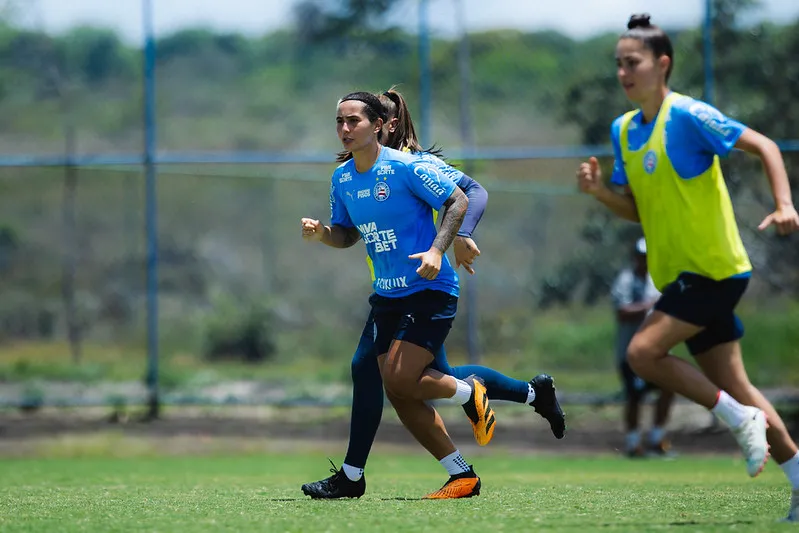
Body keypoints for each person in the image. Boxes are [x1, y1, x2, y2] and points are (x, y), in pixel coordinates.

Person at [577, 13, 799, 522]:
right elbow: (639, 209)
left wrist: (784, 204)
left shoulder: (690, 116)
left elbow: (763, 144)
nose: (622, 73)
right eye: (617, 64)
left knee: (642, 353)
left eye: (632, 63)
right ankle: (797, 476)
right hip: (679, 276)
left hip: (716, 269)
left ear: (662, 64)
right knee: (738, 387)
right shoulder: (624, 130)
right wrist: (599, 193)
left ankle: (736, 417)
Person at [301, 88, 566, 500]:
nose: (345, 127)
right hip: (387, 293)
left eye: (355, 120)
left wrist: (454, 240)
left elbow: (469, 194)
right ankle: (493, 434)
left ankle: (354, 475)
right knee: (411, 383)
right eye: (340, 120)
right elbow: (348, 233)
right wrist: (322, 234)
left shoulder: (413, 165)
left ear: (382, 125)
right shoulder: (345, 177)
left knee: (387, 376)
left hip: (425, 287)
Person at [611, 237, 674, 457]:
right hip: (629, 352)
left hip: (656, 351)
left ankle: (656, 439)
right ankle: (633, 443)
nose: (645, 261)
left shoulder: (657, 280)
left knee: (669, 388)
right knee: (634, 395)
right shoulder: (626, 281)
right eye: (641, 257)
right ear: (635, 257)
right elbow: (622, 312)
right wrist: (650, 305)